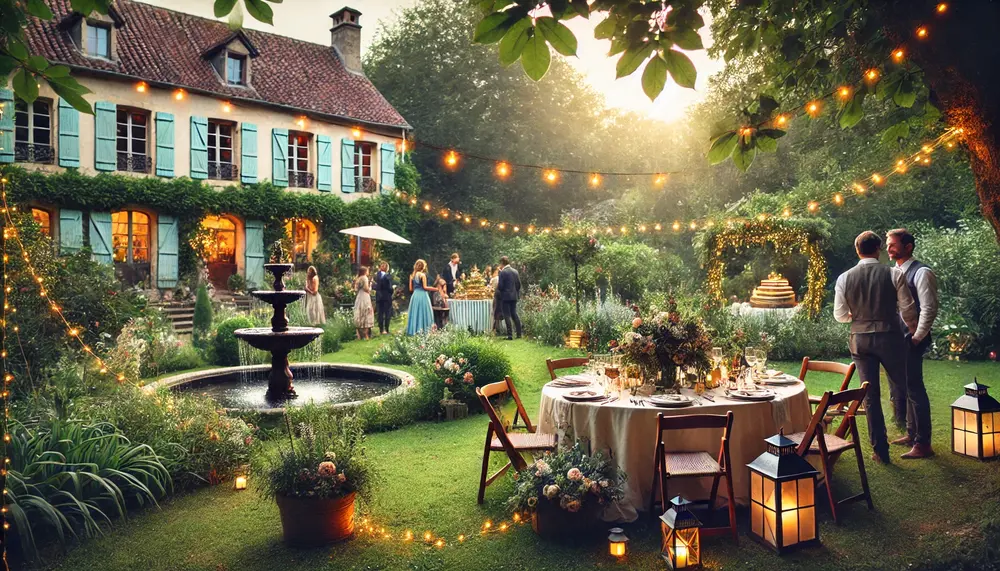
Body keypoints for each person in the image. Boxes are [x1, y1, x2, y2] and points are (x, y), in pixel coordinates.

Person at [834, 231, 919, 465]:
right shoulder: (894, 273)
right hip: (890, 338)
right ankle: (918, 438)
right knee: (905, 386)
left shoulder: (844, 278)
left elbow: (840, 315)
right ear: (879, 249)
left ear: (857, 250)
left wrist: (856, 315)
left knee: (870, 396)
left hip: (860, 341)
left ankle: (880, 451)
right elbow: (908, 309)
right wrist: (914, 332)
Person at [886, 228, 938, 459]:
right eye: (887, 244)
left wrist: (917, 336)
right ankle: (911, 433)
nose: (888, 248)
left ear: (908, 247)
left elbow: (928, 308)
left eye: (893, 244)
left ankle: (923, 443)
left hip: (912, 339)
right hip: (897, 340)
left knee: (915, 389)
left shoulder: (922, 273)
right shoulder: (893, 271)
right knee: (906, 388)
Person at [405, 259, 434, 335]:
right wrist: (436, 289)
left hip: (415, 295)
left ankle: (414, 330)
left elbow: (410, 289)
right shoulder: (422, 275)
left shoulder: (412, 276)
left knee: (416, 312)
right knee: (424, 312)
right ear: (423, 267)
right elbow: (425, 287)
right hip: (422, 295)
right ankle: (424, 330)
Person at [496, 255, 522, 340]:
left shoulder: (503, 272)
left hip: (505, 296)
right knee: (514, 314)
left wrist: (500, 290)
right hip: (514, 296)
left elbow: (500, 286)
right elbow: (518, 285)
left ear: (502, 263)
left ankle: (510, 335)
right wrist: (515, 292)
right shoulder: (515, 271)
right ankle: (519, 334)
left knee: (507, 315)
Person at [353, 266, 374, 340]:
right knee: (366, 312)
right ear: (365, 271)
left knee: (359, 312)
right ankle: (366, 335)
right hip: (365, 296)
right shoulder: (364, 278)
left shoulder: (358, 278)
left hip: (359, 296)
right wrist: (370, 285)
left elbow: (355, 289)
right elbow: (366, 289)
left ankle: (359, 335)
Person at [374, 262, 394, 336]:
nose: (383, 267)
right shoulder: (381, 275)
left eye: (384, 266)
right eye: (382, 266)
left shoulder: (386, 275)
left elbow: (389, 287)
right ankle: (384, 330)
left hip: (383, 297)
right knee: (383, 314)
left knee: (384, 314)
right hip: (383, 296)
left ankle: (384, 329)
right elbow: (388, 287)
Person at [490, 264, 502, 334]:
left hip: (496, 296)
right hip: (496, 296)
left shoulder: (496, 278)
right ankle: (496, 328)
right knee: (496, 313)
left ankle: (495, 328)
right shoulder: (496, 278)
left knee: (496, 312)